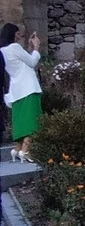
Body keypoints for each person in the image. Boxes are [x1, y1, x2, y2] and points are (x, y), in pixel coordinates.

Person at [0, 23, 42, 163]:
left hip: (16, 90)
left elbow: (21, 62)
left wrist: (29, 48)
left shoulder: (3, 50)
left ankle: (17, 149)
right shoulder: (15, 47)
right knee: (32, 120)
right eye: (17, 34)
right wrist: (36, 47)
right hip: (28, 87)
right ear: (12, 34)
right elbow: (32, 62)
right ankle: (26, 150)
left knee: (21, 121)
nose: (19, 37)